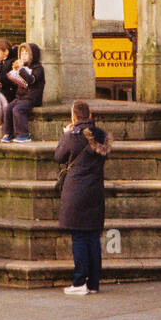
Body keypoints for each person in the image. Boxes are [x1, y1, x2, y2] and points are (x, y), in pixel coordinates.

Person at [55, 101, 110, 296]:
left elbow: (59, 156)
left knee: (78, 236)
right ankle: (94, 284)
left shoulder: (72, 135)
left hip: (76, 191)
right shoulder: (101, 135)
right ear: (90, 114)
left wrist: (65, 134)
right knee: (93, 237)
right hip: (95, 190)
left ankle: (79, 282)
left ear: (73, 117)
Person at [1, 43, 45, 143]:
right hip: (21, 96)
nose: (23, 56)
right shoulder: (22, 67)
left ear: (33, 55)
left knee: (18, 109)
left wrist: (21, 70)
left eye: (26, 53)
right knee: (8, 108)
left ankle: (23, 135)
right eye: (22, 53)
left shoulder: (38, 68)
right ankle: (8, 133)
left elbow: (31, 80)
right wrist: (14, 74)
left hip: (32, 97)